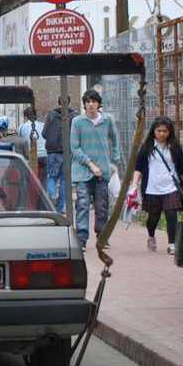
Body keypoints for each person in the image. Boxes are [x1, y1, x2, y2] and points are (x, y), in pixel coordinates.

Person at [70, 89, 120, 250]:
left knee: (102, 206)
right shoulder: (77, 122)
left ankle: (102, 237)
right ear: (84, 104)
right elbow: (74, 148)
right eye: (88, 102)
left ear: (99, 104)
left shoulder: (107, 120)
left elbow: (115, 139)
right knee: (82, 204)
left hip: (103, 171)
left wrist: (114, 161)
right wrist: (90, 164)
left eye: (94, 101)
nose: (91, 104)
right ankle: (81, 239)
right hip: (82, 171)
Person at [129, 117, 183, 255]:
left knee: (171, 215)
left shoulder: (174, 147)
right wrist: (134, 185)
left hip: (171, 187)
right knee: (153, 218)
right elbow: (139, 168)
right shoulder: (147, 147)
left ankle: (172, 244)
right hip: (152, 188)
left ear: (169, 132)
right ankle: (151, 235)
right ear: (153, 131)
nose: (162, 134)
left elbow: (182, 169)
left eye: (165, 131)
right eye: (159, 131)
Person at [41, 102, 78, 213]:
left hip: (52, 152)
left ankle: (51, 203)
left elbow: (44, 133)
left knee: (52, 177)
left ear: (58, 103)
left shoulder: (51, 115)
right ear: (69, 103)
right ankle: (60, 208)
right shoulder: (74, 116)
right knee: (64, 180)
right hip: (67, 152)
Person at [18, 108, 47, 179]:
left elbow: (20, 142)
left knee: (32, 179)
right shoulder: (43, 125)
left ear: (25, 117)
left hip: (31, 156)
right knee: (44, 178)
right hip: (44, 155)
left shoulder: (21, 127)